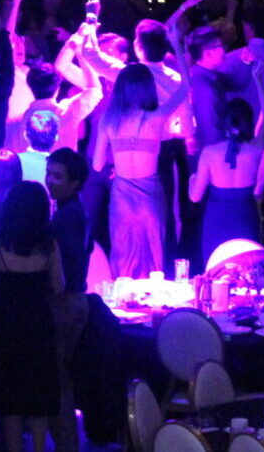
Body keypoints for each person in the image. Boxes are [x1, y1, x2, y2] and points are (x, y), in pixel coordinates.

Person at [0, 181, 64, 452]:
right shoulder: (49, 244)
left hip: (5, 325)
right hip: (38, 324)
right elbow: (59, 286)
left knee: (11, 400)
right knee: (38, 398)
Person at [91, 64, 168, 278]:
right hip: (150, 193)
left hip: (121, 195)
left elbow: (97, 165)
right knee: (154, 254)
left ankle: (123, 306)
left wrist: (117, 157)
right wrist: (177, 47)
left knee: (123, 256)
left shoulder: (109, 119)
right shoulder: (156, 117)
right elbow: (185, 89)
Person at [46, 148, 93, 452]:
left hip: (66, 301)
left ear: (75, 183)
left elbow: (69, 264)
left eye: (57, 176)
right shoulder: (72, 211)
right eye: (49, 173)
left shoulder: (67, 217)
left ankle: (67, 446)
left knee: (57, 377)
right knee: (59, 376)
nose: (50, 181)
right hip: (74, 299)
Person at [189, 96, 262, 268]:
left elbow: (195, 197)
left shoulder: (209, 153)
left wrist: (192, 179)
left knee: (216, 271)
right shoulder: (256, 152)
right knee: (248, 271)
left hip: (217, 218)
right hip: (246, 216)